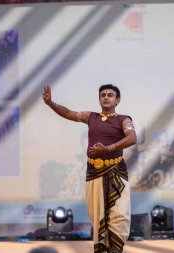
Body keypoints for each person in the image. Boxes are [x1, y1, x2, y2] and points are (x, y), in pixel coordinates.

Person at [42, 84, 137, 253]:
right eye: (102, 95)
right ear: (99, 99)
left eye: (110, 95)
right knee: (98, 217)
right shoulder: (91, 117)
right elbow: (68, 113)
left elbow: (132, 137)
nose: (106, 97)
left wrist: (107, 149)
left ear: (118, 100)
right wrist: (51, 103)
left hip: (116, 172)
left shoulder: (124, 119)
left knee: (120, 216)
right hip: (94, 174)